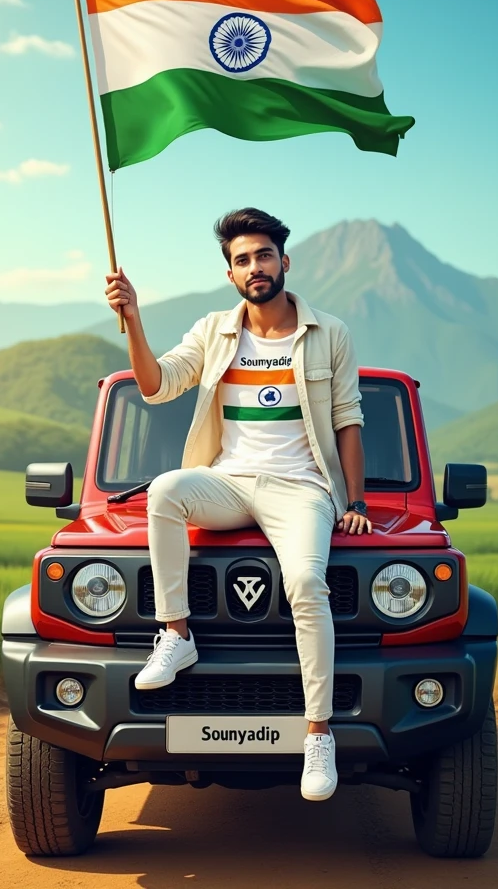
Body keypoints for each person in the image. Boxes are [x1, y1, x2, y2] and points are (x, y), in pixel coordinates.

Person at [105, 208, 372, 802]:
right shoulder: (214, 331)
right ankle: (176, 634)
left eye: (264, 255)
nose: (256, 267)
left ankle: (318, 733)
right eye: (243, 259)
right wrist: (133, 319)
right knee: (167, 491)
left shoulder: (329, 333)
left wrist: (354, 501)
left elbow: (347, 420)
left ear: (284, 261)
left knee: (305, 581)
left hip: (303, 487)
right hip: (228, 481)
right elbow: (155, 385)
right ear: (230, 274)